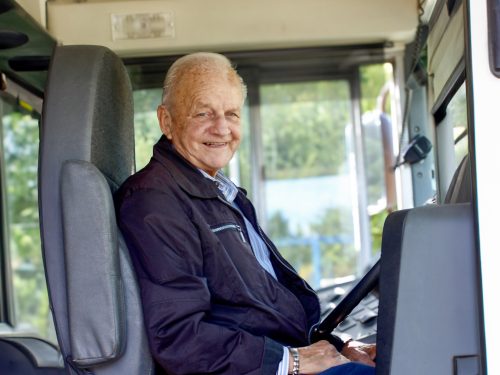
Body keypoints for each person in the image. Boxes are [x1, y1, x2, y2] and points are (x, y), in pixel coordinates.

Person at [115, 52, 376, 375]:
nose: (222, 128)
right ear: (166, 121)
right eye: (203, 113)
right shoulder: (154, 201)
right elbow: (178, 337)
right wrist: (292, 362)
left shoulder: (220, 193)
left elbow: (258, 305)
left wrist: (340, 347)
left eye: (232, 114)